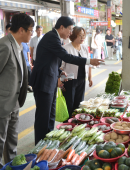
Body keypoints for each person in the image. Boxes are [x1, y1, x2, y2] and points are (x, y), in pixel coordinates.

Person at [29, 16, 103, 145]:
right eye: (69, 29)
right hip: (43, 82)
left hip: (50, 81)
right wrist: (89, 61)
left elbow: (51, 60)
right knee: (43, 117)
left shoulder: (56, 38)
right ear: (61, 27)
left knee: (51, 116)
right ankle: (39, 146)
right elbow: (66, 57)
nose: (70, 32)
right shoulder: (52, 37)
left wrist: (59, 72)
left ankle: (48, 141)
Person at [0, 13, 33, 169]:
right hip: (1, 104)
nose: (32, 33)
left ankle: (11, 167)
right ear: (21, 30)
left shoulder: (19, 45)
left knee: (11, 142)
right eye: (31, 30)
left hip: (15, 102)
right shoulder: (4, 45)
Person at [61, 26, 93, 119]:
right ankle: (67, 124)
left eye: (83, 35)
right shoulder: (66, 48)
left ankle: (77, 122)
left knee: (79, 103)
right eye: (80, 35)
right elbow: (61, 67)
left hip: (82, 79)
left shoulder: (85, 48)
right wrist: (61, 81)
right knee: (69, 104)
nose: (82, 37)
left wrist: (90, 77)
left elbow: (89, 63)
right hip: (69, 80)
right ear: (73, 35)